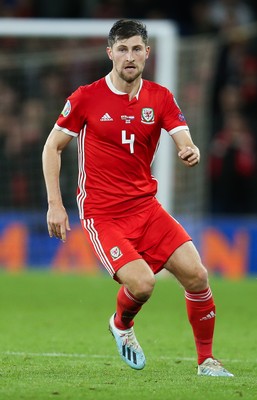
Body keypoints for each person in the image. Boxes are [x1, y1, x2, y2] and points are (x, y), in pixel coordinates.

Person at [42, 19, 233, 377]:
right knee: (143, 284)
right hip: (104, 213)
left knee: (197, 275)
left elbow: (182, 135)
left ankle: (207, 361)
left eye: (136, 49)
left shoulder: (159, 97)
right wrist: (55, 203)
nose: (129, 56)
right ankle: (121, 323)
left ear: (147, 52)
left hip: (146, 208)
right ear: (110, 53)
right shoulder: (86, 97)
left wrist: (189, 149)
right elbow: (52, 146)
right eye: (122, 49)